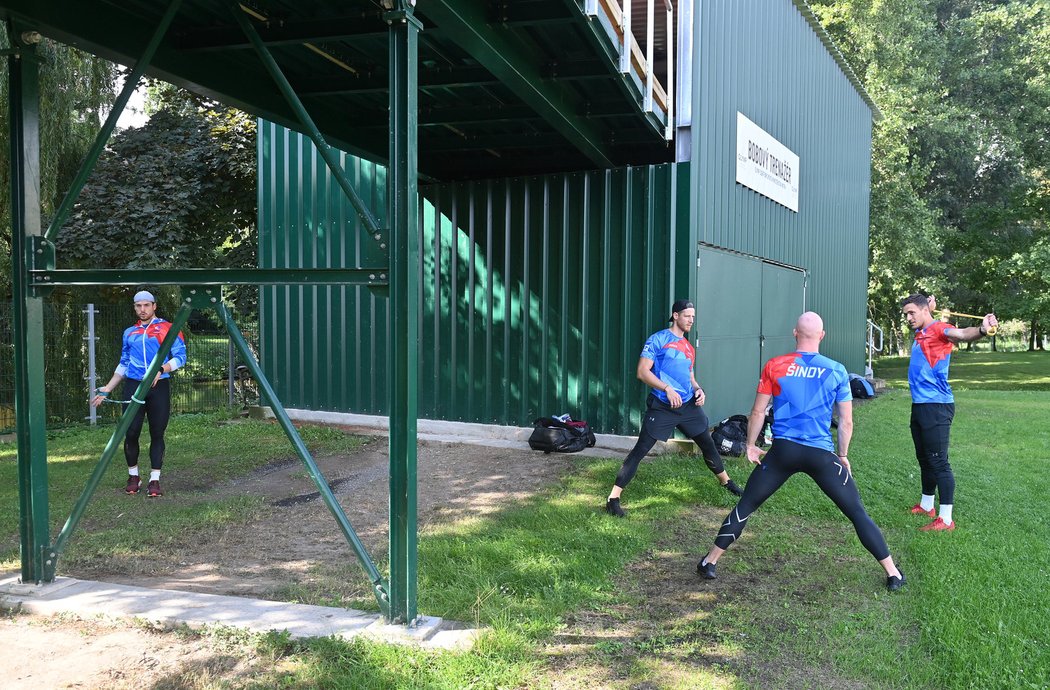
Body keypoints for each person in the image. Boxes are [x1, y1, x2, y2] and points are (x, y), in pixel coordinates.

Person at [696, 312, 905, 591]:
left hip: (783, 452)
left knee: (746, 505)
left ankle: (710, 562)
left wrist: (749, 445)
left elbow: (758, 410)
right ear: (822, 335)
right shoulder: (836, 370)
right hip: (821, 454)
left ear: (795, 333)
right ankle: (893, 574)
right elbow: (846, 421)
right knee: (857, 513)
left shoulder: (776, 365)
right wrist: (842, 455)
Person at [605, 299, 744, 518]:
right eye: (688, 316)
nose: (691, 320)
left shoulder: (688, 347)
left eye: (693, 317)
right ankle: (613, 498)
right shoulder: (658, 339)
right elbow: (642, 372)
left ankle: (726, 483)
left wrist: (699, 390)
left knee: (707, 444)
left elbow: (690, 376)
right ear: (676, 315)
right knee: (640, 450)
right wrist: (667, 388)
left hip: (688, 406)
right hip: (663, 406)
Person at [900, 294, 997, 531]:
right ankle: (926, 505)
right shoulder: (923, 329)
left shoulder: (941, 329)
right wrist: (928, 308)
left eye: (912, 312)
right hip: (921, 405)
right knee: (924, 458)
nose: (908, 318)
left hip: (937, 406)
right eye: (906, 314)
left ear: (923, 311)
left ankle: (945, 519)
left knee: (939, 462)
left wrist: (983, 330)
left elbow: (962, 334)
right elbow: (926, 315)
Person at [92, 290, 187, 498]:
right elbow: (124, 363)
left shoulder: (168, 328)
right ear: (134, 308)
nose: (142, 310)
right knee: (131, 431)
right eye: (138, 306)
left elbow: (181, 357)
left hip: (158, 387)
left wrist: (161, 370)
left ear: (154, 306)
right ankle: (133, 476)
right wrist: (108, 388)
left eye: (146, 305)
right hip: (134, 386)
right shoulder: (129, 332)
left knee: (157, 433)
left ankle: (155, 479)